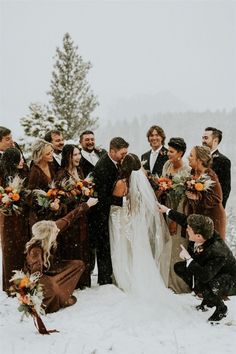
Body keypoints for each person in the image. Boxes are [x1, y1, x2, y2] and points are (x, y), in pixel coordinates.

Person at [158, 204, 236, 322]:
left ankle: (221, 308)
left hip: (229, 279)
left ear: (198, 236)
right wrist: (166, 210)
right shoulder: (204, 232)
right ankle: (206, 299)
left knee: (209, 283)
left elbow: (205, 276)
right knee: (180, 268)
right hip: (211, 271)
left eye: (189, 230)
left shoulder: (218, 251)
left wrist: (189, 259)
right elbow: (185, 221)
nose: (186, 229)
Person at [109, 153, 172, 296]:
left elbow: (115, 207)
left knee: (125, 249)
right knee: (138, 250)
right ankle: (140, 276)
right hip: (138, 221)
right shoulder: (140, 180)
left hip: (124, 221)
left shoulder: (121, 183)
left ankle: (127, 277)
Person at [24, 203, 97, 314]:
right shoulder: (36, 250)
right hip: (42, 276)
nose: (57, 231)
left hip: (53, 268)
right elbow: (35, 275)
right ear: (47, 235)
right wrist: (31, 296)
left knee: (78, 264)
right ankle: (60, 296)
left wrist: (87, 205)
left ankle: (61, 289)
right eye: (55, 231)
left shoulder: (52, 228)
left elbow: (68, 218)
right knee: (53, 292)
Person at [92, 137, 129, 285]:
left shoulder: (116, 162)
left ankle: (111, 276)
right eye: (122, 154)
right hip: (102, 214)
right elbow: (102, 197)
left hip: (111, 212)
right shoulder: (103, 167)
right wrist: (123, 201)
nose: (124, 157)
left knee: (111, 245)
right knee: (104, 247)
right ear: (112, 151)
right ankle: (105, 280)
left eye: (126, 153)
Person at [56, 144, 91, 287]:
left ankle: (84, 280)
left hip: (82, 216)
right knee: (71, 248)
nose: (78, 157)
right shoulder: (61, 174)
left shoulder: (80, 171)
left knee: (83, 246)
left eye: (79, 154)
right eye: (75, 155)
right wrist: (75, 196)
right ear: (68, 157)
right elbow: (60, 199)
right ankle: (73, 281)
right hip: (70, 218)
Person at [161, 137, 191, 293]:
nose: (167, 153)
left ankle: (179, 284)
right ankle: (166, 281)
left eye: (171, 151)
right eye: (168, 150)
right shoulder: (167, 165)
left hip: (179, 211)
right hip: (165, 207)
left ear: (180, 153)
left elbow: (184, 199)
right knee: (166, 244)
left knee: (178, 245)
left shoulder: (187, 171)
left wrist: (174, 219)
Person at [0, 147, 29, 292]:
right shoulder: (2, 176)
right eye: (19, 158)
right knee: (11, 252)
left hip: (23, 219)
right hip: (9, 220)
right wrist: (6, 200)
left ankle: (24, 283)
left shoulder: (23, 173)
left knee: (23, 249)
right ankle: (11, 285)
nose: (22, 161)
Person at [79, 130, 107, 273]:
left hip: (103, 203)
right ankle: (88, 271)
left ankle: (103, 271)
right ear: (81, 142)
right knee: (88, 240)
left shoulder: (101, 154)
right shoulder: (78, 158)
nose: (90, 142)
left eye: (92, 139)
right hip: (87, 204)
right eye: (87, 140)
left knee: (103, 238)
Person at [186, 145, 226, 239]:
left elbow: (217, 198)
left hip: (212, 219)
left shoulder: (210, 176)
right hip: (198, 218)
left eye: (191, 155)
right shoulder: (192, 173)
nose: (188, 157)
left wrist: (198, 197)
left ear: (199, 160)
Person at [28, 139, 55, 226]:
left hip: (54, 209)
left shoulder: (51, 164)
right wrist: (48, 204)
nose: (52, 155)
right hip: (41, 214)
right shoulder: (35, 172)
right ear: (40, 155)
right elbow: (32, 195)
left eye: (52, 151)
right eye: (48, 154)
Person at [202, 127, 231, 208]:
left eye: (206, 138)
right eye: (203, 138)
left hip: (213, 206)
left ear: (215, 141)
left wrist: (219, 208)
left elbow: (225, 189)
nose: (203, 141)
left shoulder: (223, 161)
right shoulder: (199, 158)